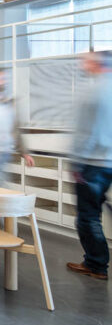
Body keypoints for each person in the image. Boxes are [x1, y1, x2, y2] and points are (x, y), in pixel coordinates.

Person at [67, 52, 112, 281]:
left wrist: (76, 162)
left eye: (85, 60)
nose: (82, 64)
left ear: (96, 64)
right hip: (109, 163)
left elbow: (87, 133)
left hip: (93, 163)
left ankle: (96, 264)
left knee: (88, 216)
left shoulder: (94, 92)